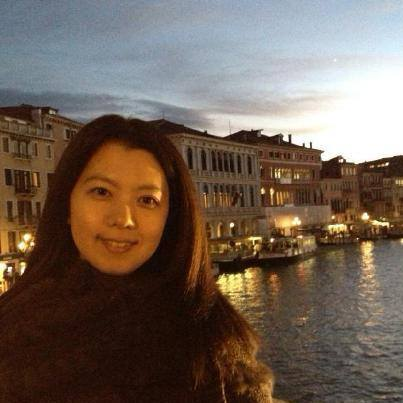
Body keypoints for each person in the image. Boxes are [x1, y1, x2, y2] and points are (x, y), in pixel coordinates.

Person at [0, 115, 282, 402]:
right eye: (101, 192)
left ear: (170, 218)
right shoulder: (14, 328)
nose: (123, 219)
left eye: (147, 200)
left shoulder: (216, 345)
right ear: (66, 204)